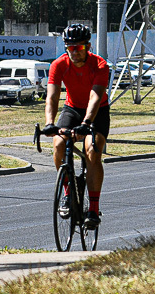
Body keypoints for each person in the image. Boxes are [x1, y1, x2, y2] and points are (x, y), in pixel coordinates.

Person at [42, 23, 109, 228]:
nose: (74, 53)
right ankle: (68, 193)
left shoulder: (100, 65)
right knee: (58, 144)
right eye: (70, 48)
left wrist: (87, 123)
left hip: (96, 112)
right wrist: (49, 123)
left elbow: (95, 96)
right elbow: (52, 97)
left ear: (88, 47)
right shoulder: (59, 64)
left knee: (91, 149)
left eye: (79, 48)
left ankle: (94, 208)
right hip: (72, 109)